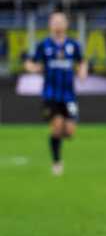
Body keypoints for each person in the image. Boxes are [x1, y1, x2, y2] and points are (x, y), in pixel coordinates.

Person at [23, 12, 87, 176]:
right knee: (57, 126)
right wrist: (33, 67)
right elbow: (30, 62)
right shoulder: (43, 45)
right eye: (55, 22)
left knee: (70, 132)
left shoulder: (73, 45)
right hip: (50, 94)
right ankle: (57, 162)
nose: (58, 25)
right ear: (50, 25)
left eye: (61, 22)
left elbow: (81, 61)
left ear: (66, 24)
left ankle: (58, 139)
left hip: (70, 96)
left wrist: (82, 72)